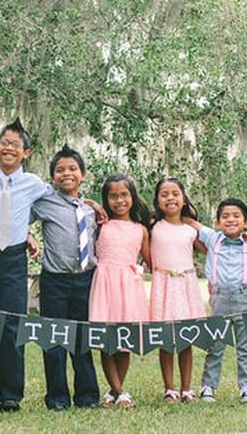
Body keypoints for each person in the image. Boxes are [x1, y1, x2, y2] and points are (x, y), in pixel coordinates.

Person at [0, 118, 51, 413]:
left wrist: (90, 204)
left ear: (25, 153)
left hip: (15, 260)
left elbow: (58, 199)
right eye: (4, 143)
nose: (9, 148)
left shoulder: (34, 184)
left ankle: (12, 395)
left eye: (15, 145)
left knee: (14, 325)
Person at [30, 145, 100, 410]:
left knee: (82, 339)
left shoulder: (91, 209)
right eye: (60, 170)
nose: (66, 173)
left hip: (85, 279)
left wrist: (93, 203)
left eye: (72, 169)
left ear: (82, 175)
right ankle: (57, 397)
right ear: (52, 177)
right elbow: (18, 218)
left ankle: (87, 395)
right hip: (55, 281)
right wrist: (25, 235)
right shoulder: (45, 202)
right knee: (55, 340)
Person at [88, 174, 151, 408]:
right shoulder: (100, 223)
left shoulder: (141, 229)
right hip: (105, 283)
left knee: (124, 341)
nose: (119, 200)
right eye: (112, 196)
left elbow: (150, 259)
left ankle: (115, 393)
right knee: (106, 340)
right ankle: (119, 390)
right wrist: (94, 205)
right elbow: (80, 205)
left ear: (132, 197)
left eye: (124, 195)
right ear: (106, 199)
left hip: (129, 286)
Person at [148, 178, 207, 404]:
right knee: (166, 338)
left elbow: (212, 247)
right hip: (163, 283)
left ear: (183, 199)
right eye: (164, 194)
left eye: (175, 193)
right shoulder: (152, 226)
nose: (170, 198)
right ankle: (169, 388)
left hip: (186, 285)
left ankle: (186, 388)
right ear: (157, 200)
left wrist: (196, 224)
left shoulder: (190, 229)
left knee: (185, 337)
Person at [197, 198, 247, 403]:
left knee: (246, 346)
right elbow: (190, 221)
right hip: (219, 298)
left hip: (244, 297)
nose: (230, 220)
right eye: (225, 216)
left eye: (236, 216)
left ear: (245, 222)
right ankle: (208, 387)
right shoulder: (212, 239)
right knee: (215, 345)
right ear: (217, 222)